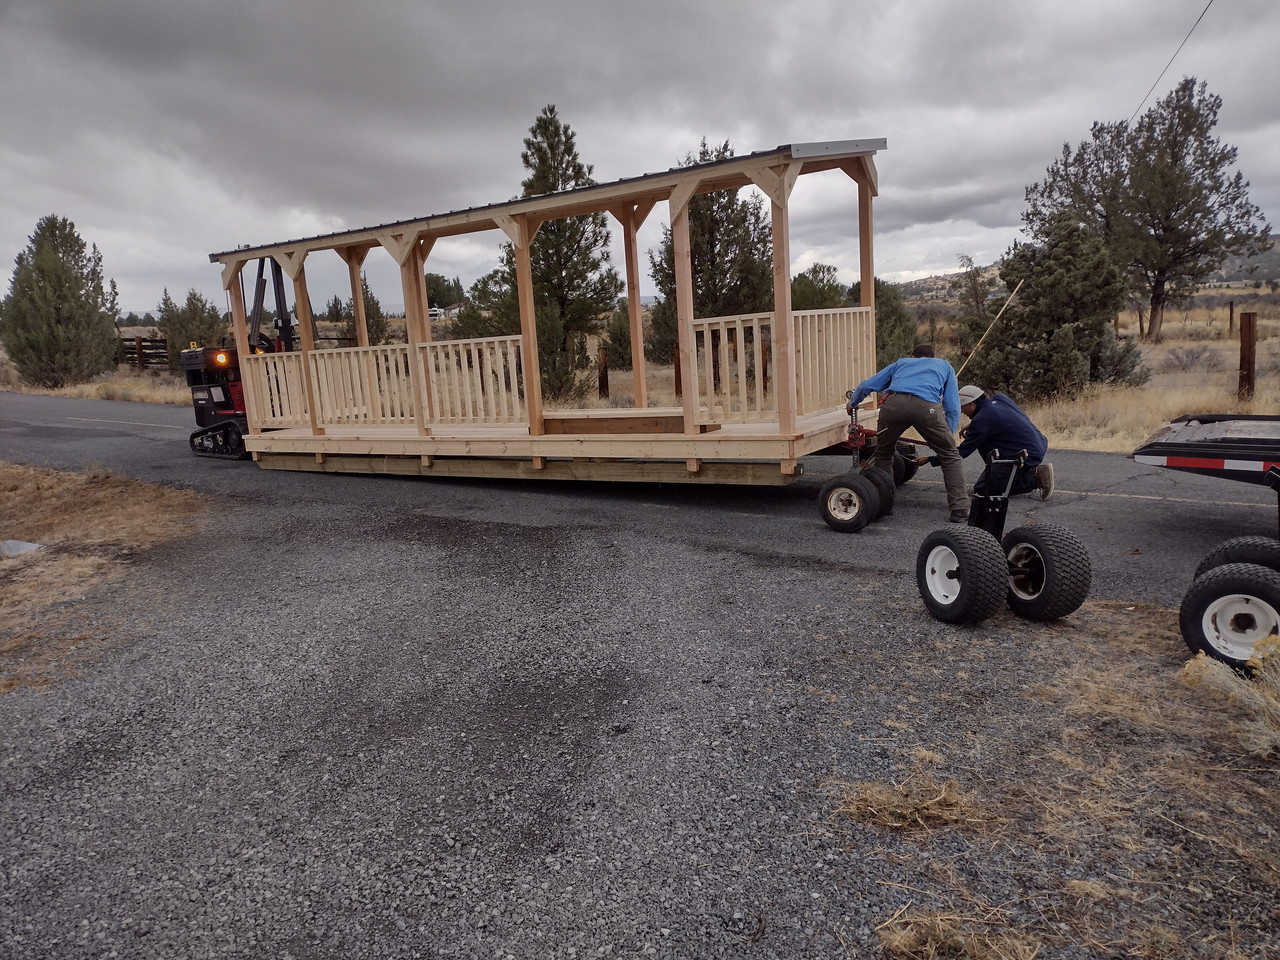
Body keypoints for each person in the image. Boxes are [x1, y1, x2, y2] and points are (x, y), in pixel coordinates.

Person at [847, 344, 969, 522]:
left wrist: (853, 402)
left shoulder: (901, 363)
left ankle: (884, 504)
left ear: (913, 357)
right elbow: (952, 404)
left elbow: (868, 385)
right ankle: (959, 509)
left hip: (893, 406)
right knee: (950, 456)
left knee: (883, 454)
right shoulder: (944, 366)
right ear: (932, 356)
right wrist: (947, 434)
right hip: (926, 408)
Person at [920, 385, 1054, 500]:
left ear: (972, 403)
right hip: (1037, 444)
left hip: (1026, 454)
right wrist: (973, 424)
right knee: (987, 448)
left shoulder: (983, 420)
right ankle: (1018, 473)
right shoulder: (1000, 399)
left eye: (962, 407)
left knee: (982, 490)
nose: (961, 411)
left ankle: (1035, 477)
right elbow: (998, 418)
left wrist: (930, 459)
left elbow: (962, 452)